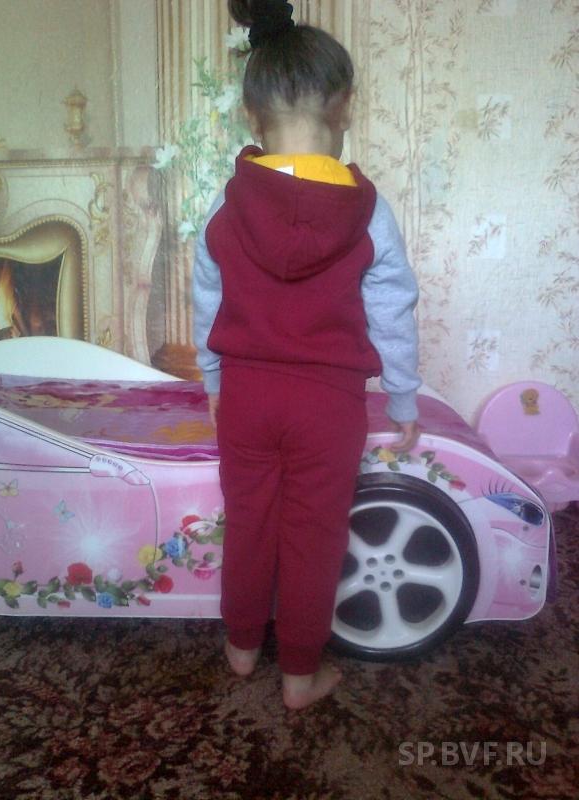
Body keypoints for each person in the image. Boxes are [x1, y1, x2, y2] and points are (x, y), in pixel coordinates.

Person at [193, 0, 421, 710]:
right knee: (313, 534)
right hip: (328, 405)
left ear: (251, 116)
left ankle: (240, 647)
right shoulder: (368, 209)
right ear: (344, 105)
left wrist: (213, 380)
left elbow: (207, 301)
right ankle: (299, 675)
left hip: (248, 395)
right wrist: (404, 397)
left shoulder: (227, 208)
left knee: (249, 518)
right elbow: (392, 310)